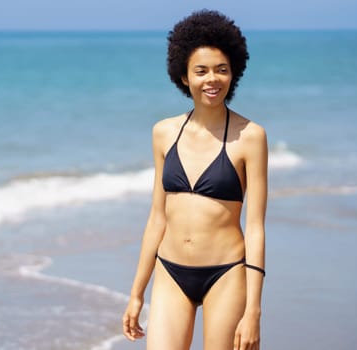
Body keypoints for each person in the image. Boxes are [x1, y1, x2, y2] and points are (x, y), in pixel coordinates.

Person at [122, 9, 268, 350]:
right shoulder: (163, 133)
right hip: (170, 272)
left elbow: (257, 227)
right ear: (185, 77)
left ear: (233, 73)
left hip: (227, 273)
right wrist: (136, 294)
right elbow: (157, 216)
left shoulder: (251, 136)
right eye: (201, 71)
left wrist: (253, 311)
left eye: (221, 70)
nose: (212, 79)